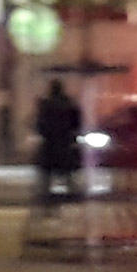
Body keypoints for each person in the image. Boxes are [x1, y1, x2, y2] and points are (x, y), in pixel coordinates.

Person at [34, 79, 82, 209]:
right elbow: (77, 122)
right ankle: (72, 191)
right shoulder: (69, 104)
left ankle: (46, 194)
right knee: (67, 170)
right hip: (65, 142)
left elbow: (40, 124)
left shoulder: (46, 104)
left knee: (47, 172)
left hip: (50, 143)